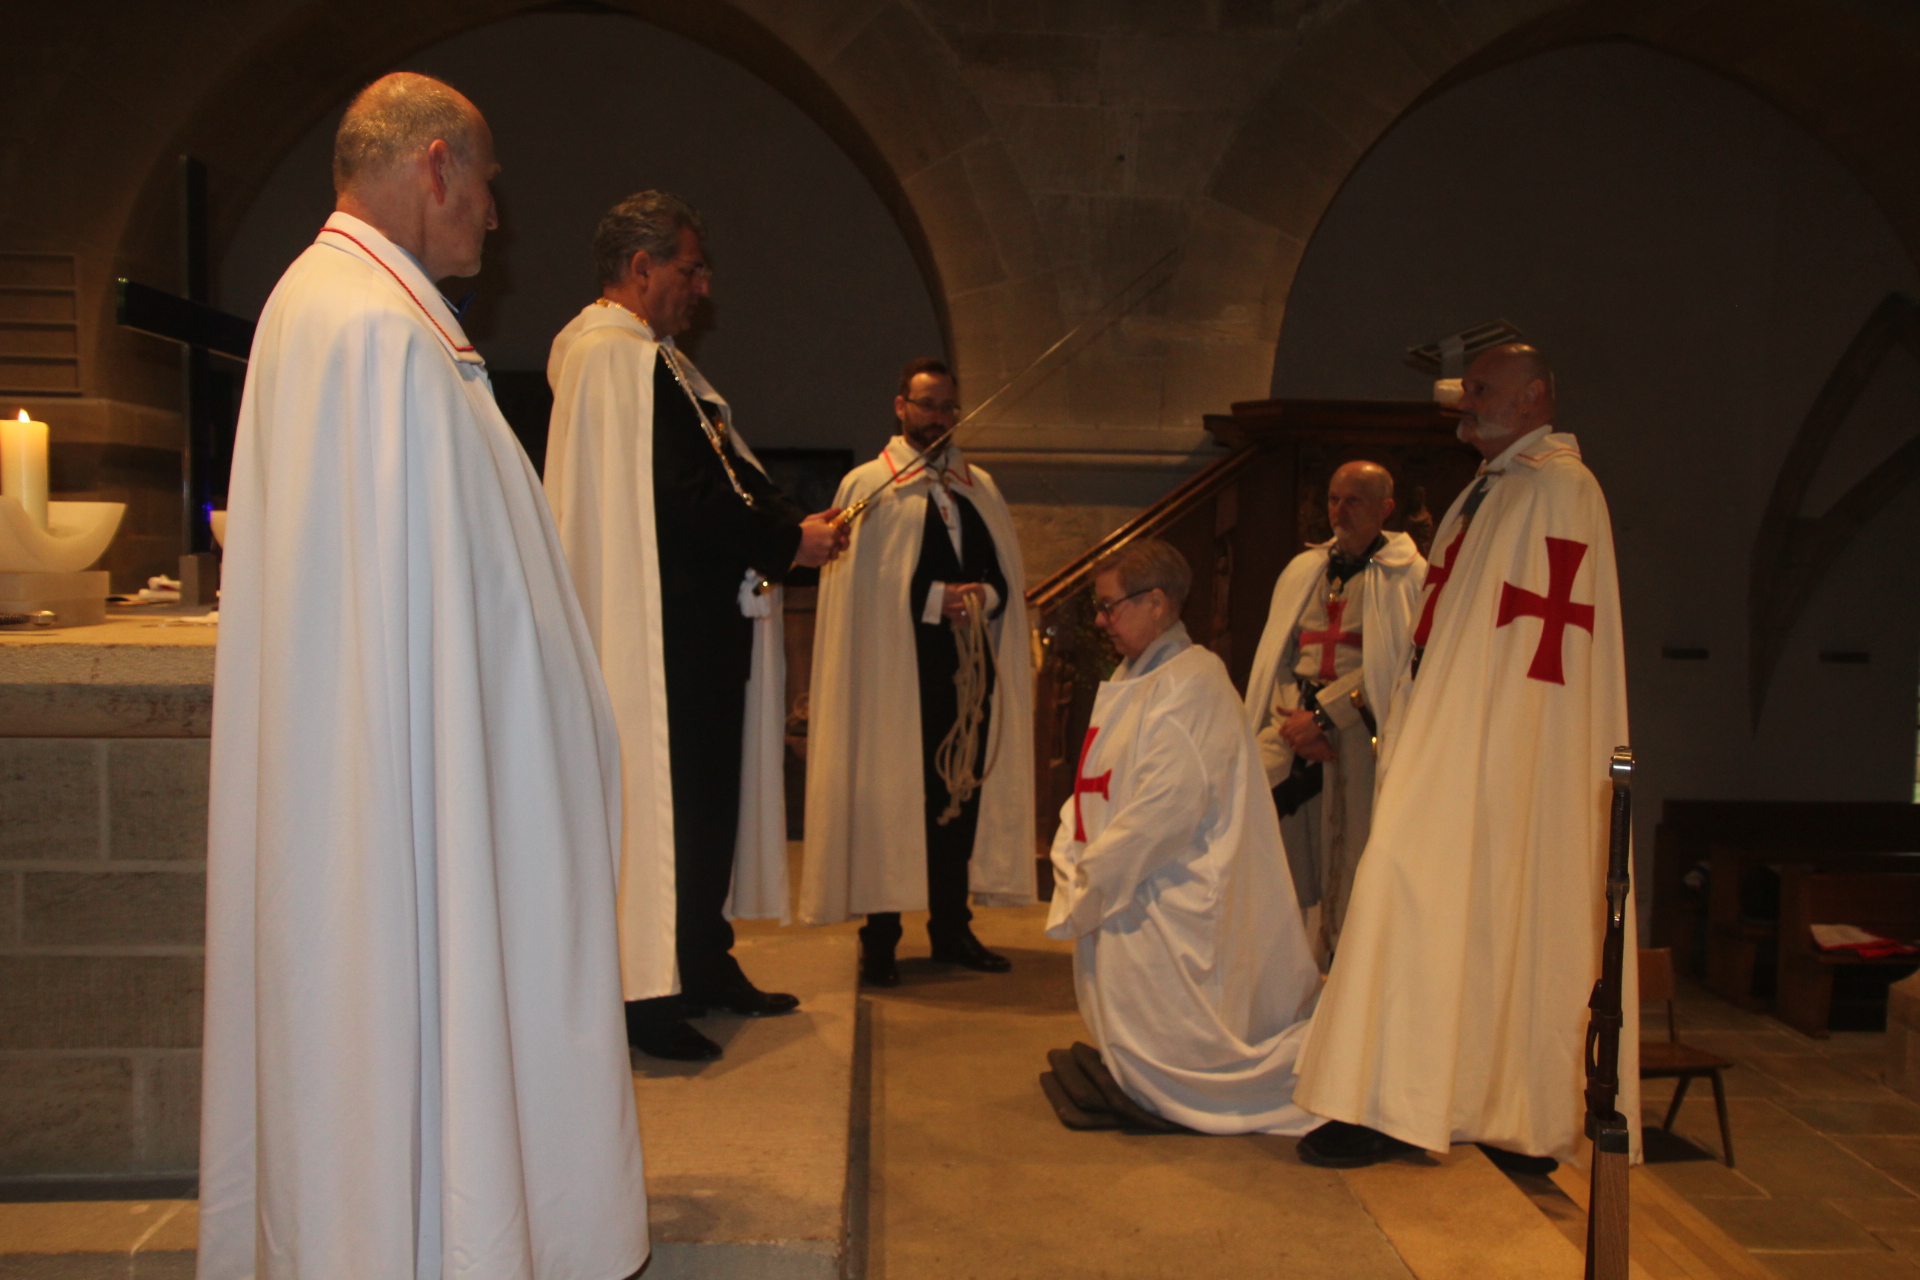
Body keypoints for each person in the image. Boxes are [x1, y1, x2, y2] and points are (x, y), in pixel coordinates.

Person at [199, 74, 646, 1280]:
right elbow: (412, 633)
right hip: (423, 818)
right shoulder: (368, 332)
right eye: (490, 185)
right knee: (417, 1048)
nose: (495, 218)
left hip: (453, 786)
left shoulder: (361, 312)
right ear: (438, 164)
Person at [1293, 345, 1637, 1171]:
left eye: (1482, 388)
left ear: (1535, 397)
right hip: (1448, 733)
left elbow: (1538, 641)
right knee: (1421, 901)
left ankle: (1513, 1110)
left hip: (1506, 754)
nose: (1464, 399)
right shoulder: (1490, 491)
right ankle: (1391, 1100)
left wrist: (1486, 748)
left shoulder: (1559, 491)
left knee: (1456, 903)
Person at [545, 191, 846, 1062]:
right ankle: (647, 999)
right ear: (640, 269)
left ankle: (703, 961)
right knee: (664, 809)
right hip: (658, 634)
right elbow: (682, 500)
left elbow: (730, 473)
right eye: (690, 268)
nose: (703, 288)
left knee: (704, 807)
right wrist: (787, 539)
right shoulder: (612, 358)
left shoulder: (660, 362)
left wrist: (795, 526)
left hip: (697, 628)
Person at [1043, 539, 1323, 1134]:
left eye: (1110, 606)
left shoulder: (1193, 683)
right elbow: (1096, 780)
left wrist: (1092, 880)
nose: (1100, 620)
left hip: (1169, 894)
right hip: (1124, 877)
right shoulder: (1136, 675)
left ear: (1158, 603)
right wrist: (1071, 849)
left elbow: (1164, 812)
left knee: (1181, 1034)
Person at [801, 358, 1035, 985]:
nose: (938, 418)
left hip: (967, 673)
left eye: (948, 408)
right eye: (927, 405)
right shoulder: (868, 486)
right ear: (900, 405)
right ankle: (880, 939)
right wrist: (937, 600)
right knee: (890, 796)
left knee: (958, 795)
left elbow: (1004, 574)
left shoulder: (978, 486)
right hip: (893, 676)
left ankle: (951, 930)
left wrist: (984, 596)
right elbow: (866, 590)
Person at [1243, 461, 1424, 965]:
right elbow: (1281, 651)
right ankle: (1274, 968)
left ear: (1386, 508)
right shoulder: (1305, 569)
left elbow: (1397, 666)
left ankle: (1338, 973)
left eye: (1354, 501)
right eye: (1333, 499)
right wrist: (1292, 720)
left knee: (1346, 851)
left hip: (1358, 731)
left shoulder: (1406, 576)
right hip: (1291, 723)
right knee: (1259, 828)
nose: (1339, 512)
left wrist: (1324, 719)